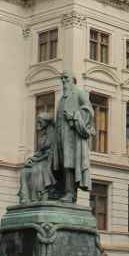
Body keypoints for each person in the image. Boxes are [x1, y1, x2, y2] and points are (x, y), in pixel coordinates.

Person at [53, 71, 95, 203]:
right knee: (61, 164)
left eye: (66, 78)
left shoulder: (79, 93)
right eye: (62, 78)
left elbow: (89, 111)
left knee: (69, 164)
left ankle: (70, 193)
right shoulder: (61, 99)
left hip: (73, 137)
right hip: (60, 136)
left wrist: (74, 118)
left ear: (73, 80)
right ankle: (63, 190)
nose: (63, 80)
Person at [18, 113, 56, 204]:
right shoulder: (42, 135)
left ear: (46, 122)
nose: (38, 124)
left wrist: (37, 160)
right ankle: (25, 197)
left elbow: (51, 152)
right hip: (41, 159)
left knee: (37, 170)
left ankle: (39, 196)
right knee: (24, 171)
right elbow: (40, 151)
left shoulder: (53, 135)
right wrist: (31, 158)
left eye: (40, 122)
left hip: (50, 161)